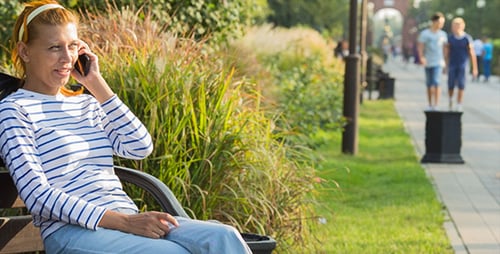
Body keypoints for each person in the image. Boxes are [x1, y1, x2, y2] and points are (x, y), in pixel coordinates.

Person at [0, 1, 252, 253]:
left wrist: (96, 83)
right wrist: (126, 222)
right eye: (55, 47)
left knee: (224, 237)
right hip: (72, 232)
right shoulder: (14, 111)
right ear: (24, 52)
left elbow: (140, 146)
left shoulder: (86, 104)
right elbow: (38, 196)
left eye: (73, 46)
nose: (67, 58)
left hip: (125, 221)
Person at [444, 17, 477, 112]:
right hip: (452, 64)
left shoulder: (467, 38)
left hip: (463, 64)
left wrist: (475, 68)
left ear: (463, 26)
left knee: (461, 85)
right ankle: (450, 99)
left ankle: (459, 103)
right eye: (454, 25)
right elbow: (447, 52)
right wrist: (445, 65)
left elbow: (472, 53)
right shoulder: (450, 38)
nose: (456, 27)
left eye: (458, 25)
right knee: (451, 84)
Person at [417, 12, 447, 111]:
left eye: (442, 23)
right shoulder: (425, 34)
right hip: (428, 61)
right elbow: (421, 46)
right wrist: (421, 57)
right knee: (429, 84)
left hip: (438, 62)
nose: (441, 25)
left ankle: (436, 104)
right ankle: (430, 104)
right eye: (440, 22)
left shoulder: (443, 34)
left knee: (436, 82)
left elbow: (445, 48)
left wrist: (446, 60)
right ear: (434, 22)